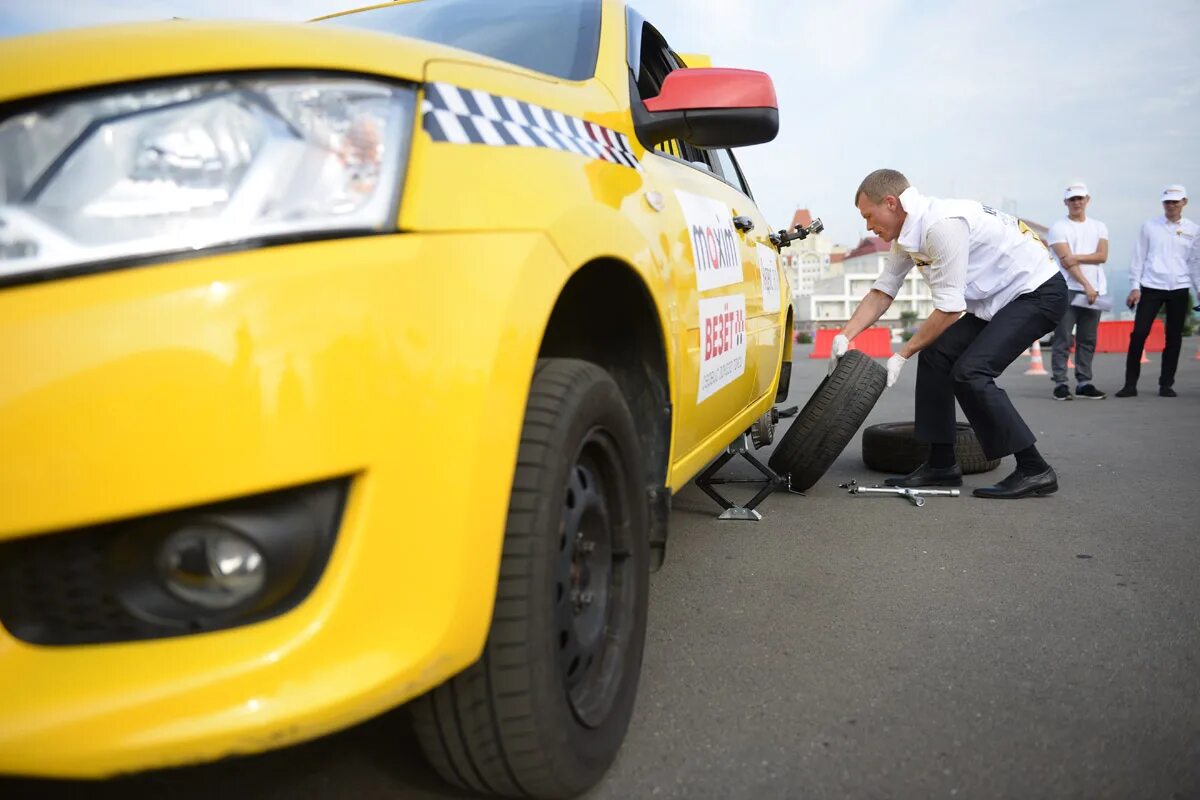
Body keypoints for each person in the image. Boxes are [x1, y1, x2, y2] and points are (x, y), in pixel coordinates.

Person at [831, 169, 1066, 499]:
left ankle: (1034, 469)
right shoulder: (907, 235)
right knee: (937, 356)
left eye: (869, 216)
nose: (869, 225)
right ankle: (941, 466)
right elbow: (884, 290)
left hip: (1037, 293)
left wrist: (902, 353)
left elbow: (950, 308)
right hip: (997, 299)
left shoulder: (941, 226)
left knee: (971, 372)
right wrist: (846, 335)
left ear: (891, 203)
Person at [1115, 184, 1198, 398]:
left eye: (1175, 201)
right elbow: (1139, 257)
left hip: (1179, 287)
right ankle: (1130, 384)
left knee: (1174, 337)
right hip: (1151, 286)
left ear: (1184, 203)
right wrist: (1135, 286)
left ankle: (1166, 384)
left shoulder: (1193, 229)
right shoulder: (1150, 226)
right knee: (1139, 333)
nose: (1171, 205)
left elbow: (1195, 263)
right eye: (1167, 202)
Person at [1047, 182, 1109, 400]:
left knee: (1088, 338)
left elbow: (1102, 255)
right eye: (1072, 199)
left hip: (1094, 292)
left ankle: (1084, 382)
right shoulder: (1058, 228)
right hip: (1068, 290)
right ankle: (1061, 383)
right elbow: (1066, 262)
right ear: (1066, 202)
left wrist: (1077, 256)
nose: (1076, 202)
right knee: (1063, 337)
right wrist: (1086, 285)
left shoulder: (1099, 226)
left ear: (1087, 200)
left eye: (1080, 198)